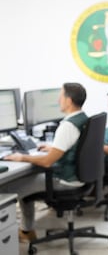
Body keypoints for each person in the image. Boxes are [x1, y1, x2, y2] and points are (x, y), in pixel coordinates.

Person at [4, 82, 88, 243]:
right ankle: (26, 231)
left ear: (69, 101)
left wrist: (22, 157)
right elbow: (74, 147)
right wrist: (53, 147)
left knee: (8, 189)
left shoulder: (67, 126)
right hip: (77, 178)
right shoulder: (82, 118)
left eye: (61, 96)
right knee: (25, 186)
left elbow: (48, 162)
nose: (58, 100)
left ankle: (20, 233)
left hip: (64, 180)